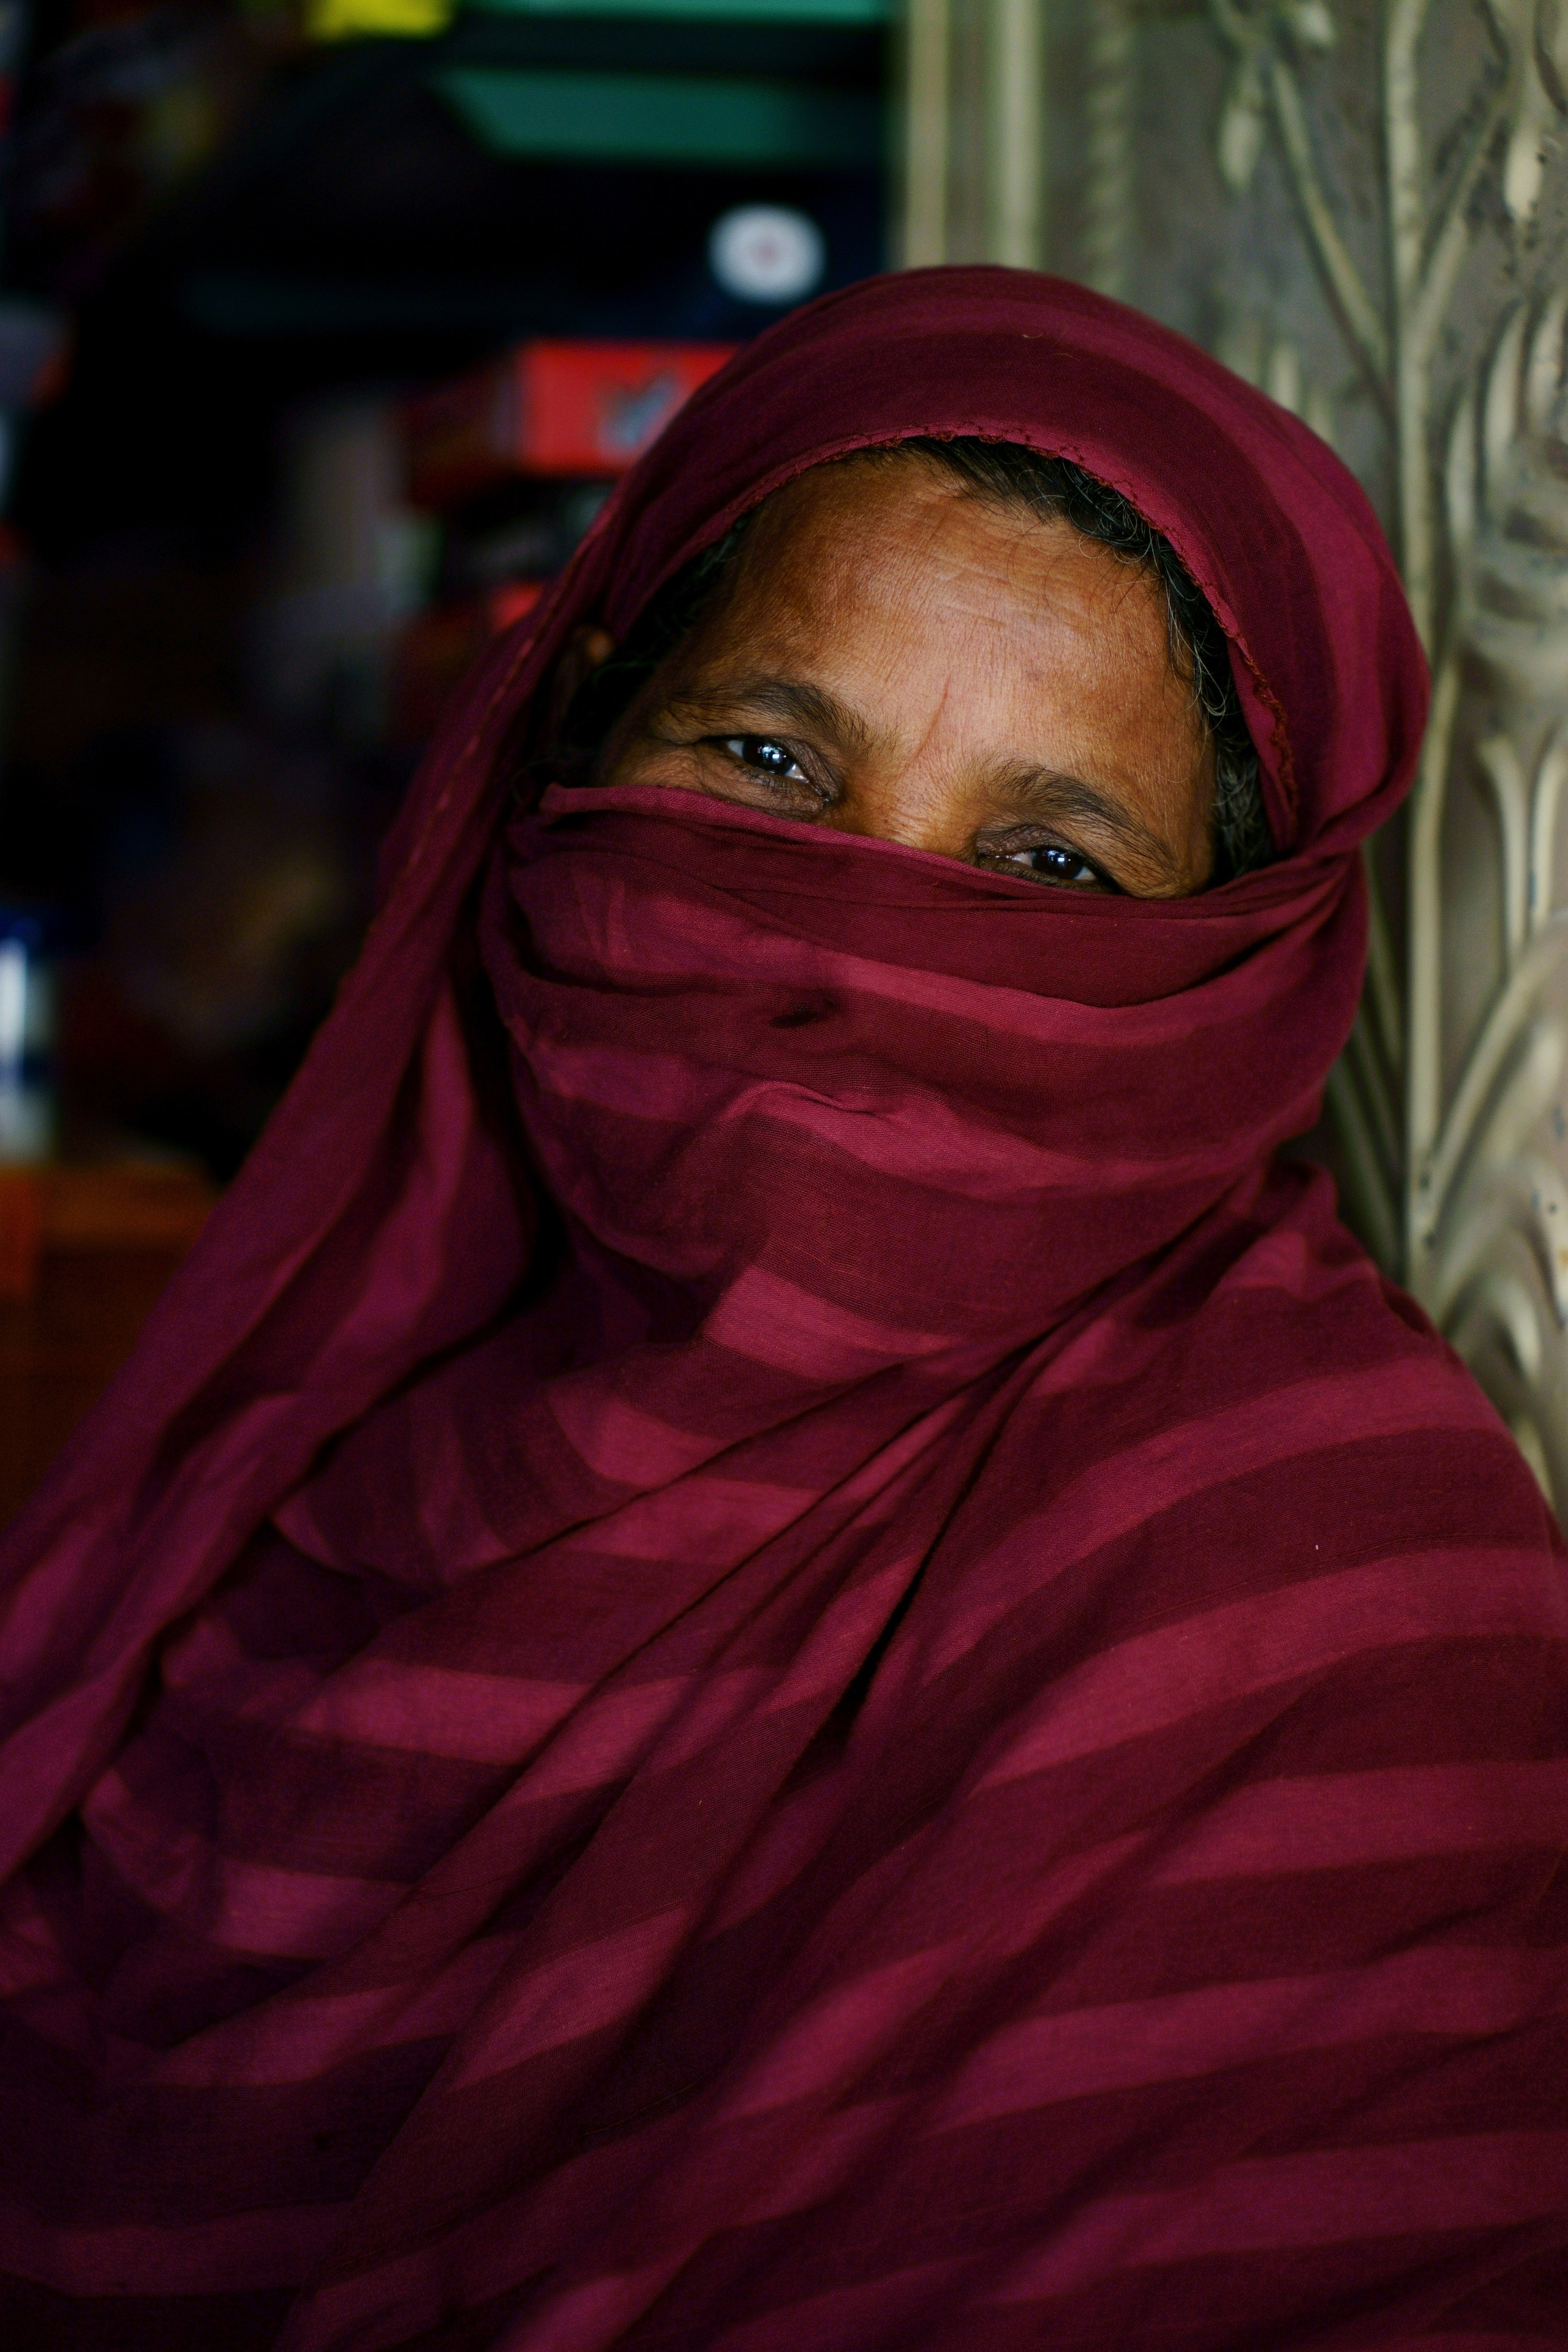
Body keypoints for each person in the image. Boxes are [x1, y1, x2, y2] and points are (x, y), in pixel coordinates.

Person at [0, 268, 1564, 2352]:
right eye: (764, 759)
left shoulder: (1319, 1593)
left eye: (1053, 868)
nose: (852, 953)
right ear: (561, 772)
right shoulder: (317, 1438)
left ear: (1234, 973)